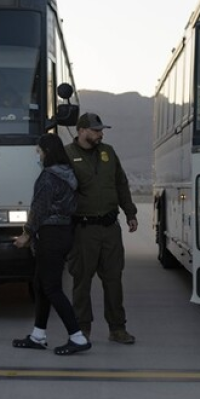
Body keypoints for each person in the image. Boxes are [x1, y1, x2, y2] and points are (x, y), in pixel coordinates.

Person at [65, 112, 138, 345]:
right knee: (82, 281)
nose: (100, 134)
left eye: (101, 130)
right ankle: (81, 329)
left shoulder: (108, 152)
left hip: (110, 228)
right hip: (83, 229)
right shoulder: (67, 155)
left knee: (114, 280)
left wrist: (130, 213)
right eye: (96, 130)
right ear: (81, 131)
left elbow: (121, 183)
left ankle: (117, 328)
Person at [12, 133, 89, 355]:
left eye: (39, 151)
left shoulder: (48, 177)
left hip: (50, 236)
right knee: (40, 284)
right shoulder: (68, 174)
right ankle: (38, 335)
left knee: (52, 288)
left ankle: (77, 336)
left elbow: (39, 209)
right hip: (64, 232)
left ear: (47, 152)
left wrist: (26, 234)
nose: (38, 156)